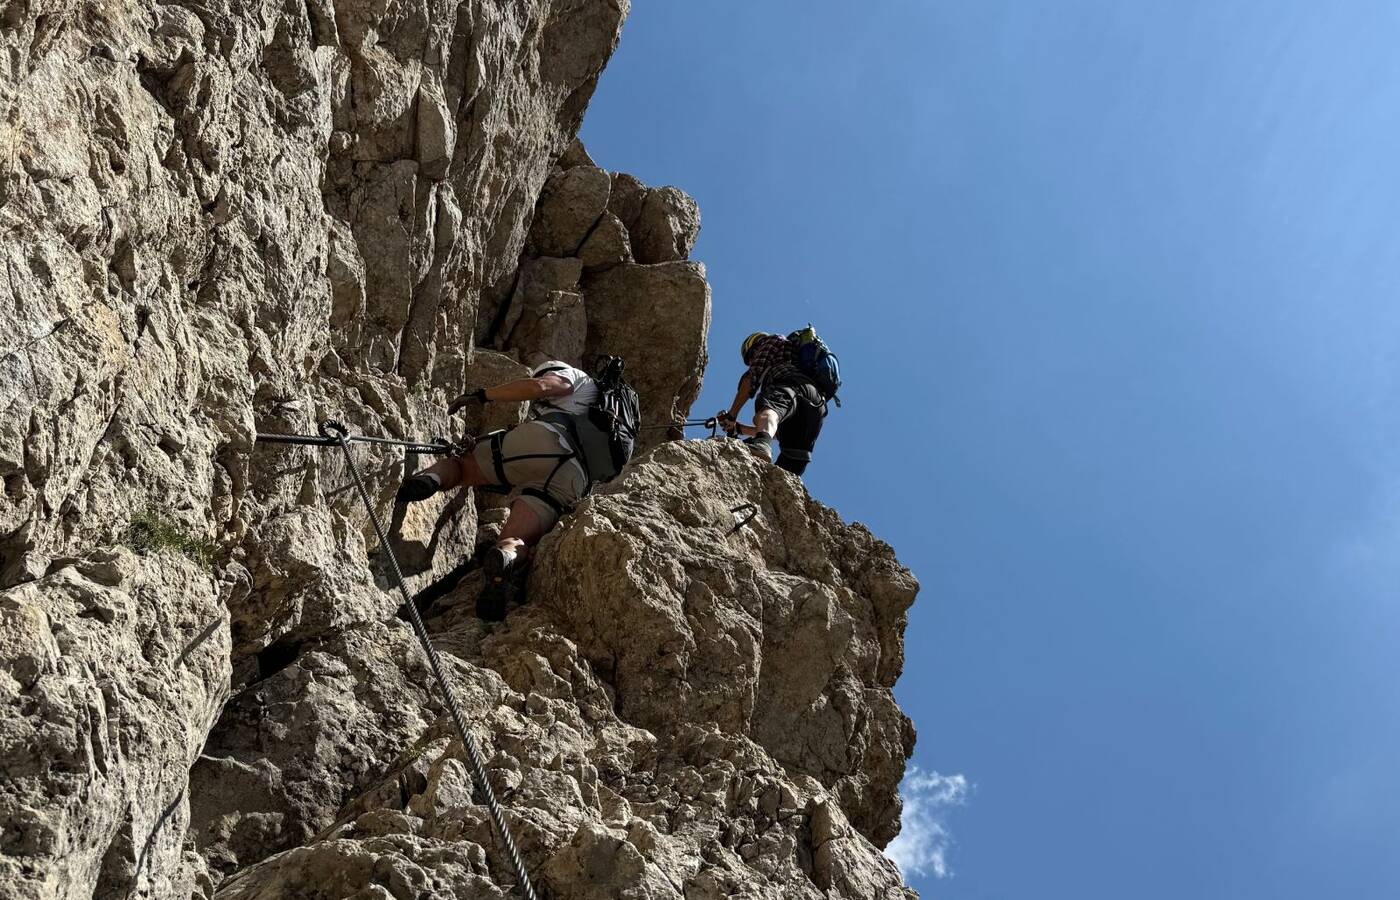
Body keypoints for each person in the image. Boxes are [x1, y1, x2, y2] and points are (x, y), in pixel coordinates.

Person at [396, 360, 599, 619]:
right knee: (517, 539)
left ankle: (430, 480)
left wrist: (482, 395)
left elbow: (541, 386)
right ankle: (504, 559)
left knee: (461, 465)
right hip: (574, 477)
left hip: (546, 440)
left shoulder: (574, 376)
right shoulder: (603, 415)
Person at [718, 331, 827, 476]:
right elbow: (775, 433)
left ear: (753, 348)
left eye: (750, 359)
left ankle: (762, 446)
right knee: (788, 464)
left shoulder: (770, 342)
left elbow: (752, 377)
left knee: (766, 407)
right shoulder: (794, 355)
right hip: (816, 406)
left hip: (791, 383)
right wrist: (740, 429)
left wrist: (732, 416)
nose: (751, 362)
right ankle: (782, 487)